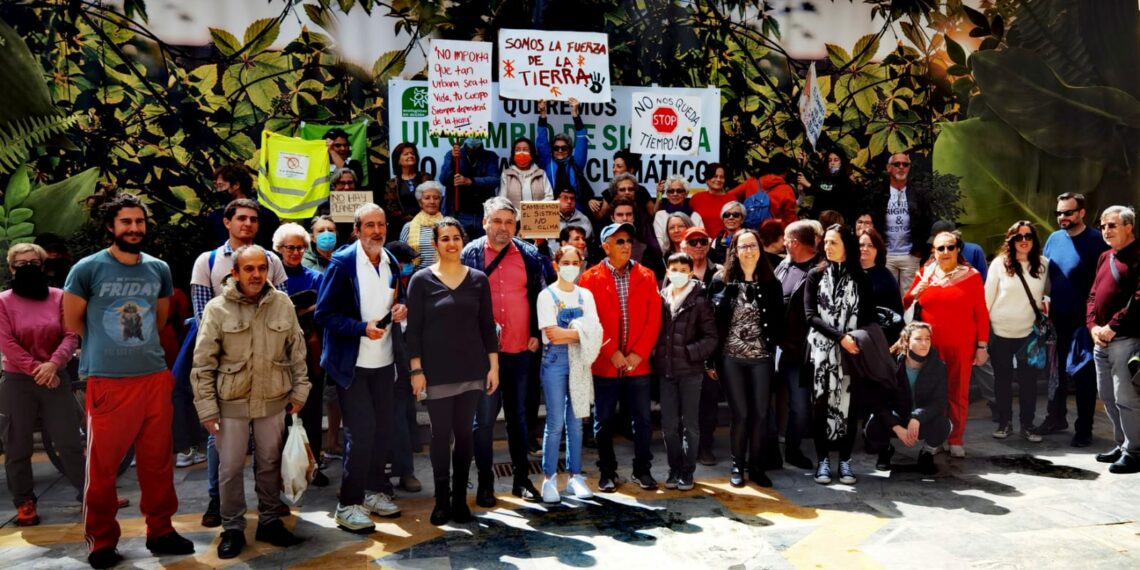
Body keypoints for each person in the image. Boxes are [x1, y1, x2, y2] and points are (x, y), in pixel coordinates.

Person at [62, 194, 194, 569]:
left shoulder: (159, 269)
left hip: (153, 377)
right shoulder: (87, 269)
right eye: (126, 222)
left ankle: (161, 530)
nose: (134, 229)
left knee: (157, 463)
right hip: (108, 380)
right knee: (102, 468)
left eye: (139, 222)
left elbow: (160, 318)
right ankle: (101, 540)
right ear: (110, 226)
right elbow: (72, 323)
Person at [192, 245, 309, 558]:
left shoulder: (282, 303)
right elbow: (203, 363)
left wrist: (300, 392)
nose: (256, 274)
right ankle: (232, 527)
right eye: (249, 269)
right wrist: (206, 408)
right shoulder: (218, 309)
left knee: (269, 464)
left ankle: (270, 520)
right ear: (235, 273)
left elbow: (296, 352)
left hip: (273, 400)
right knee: (230, 468)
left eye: (262, 268)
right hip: (231, 404)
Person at [190, 198, 289, 528]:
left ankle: (271, 511)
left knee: (268, 454)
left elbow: (283, 309)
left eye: (253, 219)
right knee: (224, 454)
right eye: (241, 218)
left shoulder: (271, 260)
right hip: (226, 373)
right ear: (227, 222)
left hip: (267, 373)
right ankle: (218, 502)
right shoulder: (207, 261)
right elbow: (203, 316)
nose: (248, 224)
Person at [315, 204, 406, 532]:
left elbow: (398, 297)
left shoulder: (391, 261)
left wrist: (400, 309)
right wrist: (360, 328)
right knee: (361, 432)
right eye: (369, 225)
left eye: (381, 224)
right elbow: (323, 315)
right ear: (356, 230)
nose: (377, 231)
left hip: (384, 362)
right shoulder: (342, 264)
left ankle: (373, 492)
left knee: (383, 430)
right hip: (351, 365)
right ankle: (347, 504)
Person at [406, 218, 500, 524]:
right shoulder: (420, 280)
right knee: (440, 434)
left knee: (464, 434)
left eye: (456, 237)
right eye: (444, 238)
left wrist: (493, 367)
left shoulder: (478, 279)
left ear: (462, 241)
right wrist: (416, 370)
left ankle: (460, 499)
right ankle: (441, 499)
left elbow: (487, 326)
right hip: (436, 371)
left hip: (472, 369)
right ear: (435, 245)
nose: (451, 243)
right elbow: (414, 331)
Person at [461, 197, 550, 504]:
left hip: (519, 351)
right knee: (484, 422)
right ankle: (486, 482)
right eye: (496, 221)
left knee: (520, 420)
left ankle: (522, 480)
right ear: (485, 222)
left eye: (509, 222)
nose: (502, 228)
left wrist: (537, 332)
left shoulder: (529, 254)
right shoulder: (469, 254)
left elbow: (541, 295)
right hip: (483, 356)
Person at [0, 244, 83, 526]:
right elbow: (7, 343)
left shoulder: (60, 297)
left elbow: (71, 334)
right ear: (11, 269)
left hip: (55, 375)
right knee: (17, 445)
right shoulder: (3, 301)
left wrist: (52, 364)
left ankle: (90, 493)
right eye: (21, 264)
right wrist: (38, 369)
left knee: (70, 440)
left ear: (43, 266)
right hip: (18, 381)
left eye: (34, 263)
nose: (27, 268)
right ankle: (24, 502)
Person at [579, 222, 663, 492]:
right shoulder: (589, 278)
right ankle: (607, 471)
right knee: (603, 421)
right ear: (605, 246)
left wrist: (639, 353)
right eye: (619, 241)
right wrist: (611, 351)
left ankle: (643, 470)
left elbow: (654, 319)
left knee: (643, 420)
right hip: (606, 364)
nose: (626, 245)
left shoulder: (647, 275)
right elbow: (589, 321)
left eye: (628, 240)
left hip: (638, 365)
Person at [903, 230, 989, 458]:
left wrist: (982, 346)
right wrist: (915, 293)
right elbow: (905, 303)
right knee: (932, 394)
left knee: (958, 393)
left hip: (962, 345)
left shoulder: (972, 276)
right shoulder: (925, 274)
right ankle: (936, 437)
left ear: (958, 249)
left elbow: (981, 312)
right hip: (930, 347)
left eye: (951, 247)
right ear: (934, 251)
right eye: (940, 248)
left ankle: (956, 438)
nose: (946, 252)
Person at [708, 229, 783, 487]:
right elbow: (711, 323)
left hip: (761, 357)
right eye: (743, 246)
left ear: (760, 249)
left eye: (753, 246)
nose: (748, 251)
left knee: (761, 413)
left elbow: (779, 322)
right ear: (735, 251)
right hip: (731, 358)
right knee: (740, 414)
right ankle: (737, 466)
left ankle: (757, 467)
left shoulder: (772, 283)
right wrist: (709, 359)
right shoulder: (720, 280)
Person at [803, 224, 874, 486]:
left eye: (834, 242)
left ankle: (845, 461)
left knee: (849, 405)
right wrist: (839, 337)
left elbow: (868, 317)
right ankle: (823, 460)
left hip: (851, 351)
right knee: (819, 406)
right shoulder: (815, 275)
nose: (828, 247)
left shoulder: (861, 277)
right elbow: (810, 315)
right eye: (826, 243)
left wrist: (851, 339)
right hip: (821, 354)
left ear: (846, 245)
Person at [1037, 192, 1109, 446]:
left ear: (1081, 213)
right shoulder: (1054, 239)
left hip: (1084, 322)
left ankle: (1084, 429)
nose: (1062, 217)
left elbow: (1104, 283)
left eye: (1068, 212)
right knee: (1055, 373)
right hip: (1057, 319)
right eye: (1059, 213)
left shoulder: (1097, 241)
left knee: (1083, 376)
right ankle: (1056, 418)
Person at [536, 246, 601, 503]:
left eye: (576, 262)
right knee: (555, 423)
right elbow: (551, 334)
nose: (571, 266)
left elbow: (596, 331)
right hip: (554, 362)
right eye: (566, 261)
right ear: (556, 264)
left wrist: (574, 334)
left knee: (576, 419)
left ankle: (575, 475)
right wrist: (582, 334)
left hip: (580, 362)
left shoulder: (586, 295)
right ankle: (549, 478)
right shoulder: (546, 295)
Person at [655, 252, 719, 491]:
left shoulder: (700, 299)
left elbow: (711, 337)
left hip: (691, 372)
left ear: (691, 272)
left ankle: (687, 471)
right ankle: (674, 468)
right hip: (666, 371)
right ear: (667, 272)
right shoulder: (661, 297)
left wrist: (690, 353)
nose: (678, 274)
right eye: (674, 269)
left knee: (690, 423)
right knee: (669, 424)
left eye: (683, 269)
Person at [273, 223, 329, 486]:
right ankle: (282, 469)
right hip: (277, 356)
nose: (295, 252)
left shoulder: (315, 277)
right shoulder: (270, 278)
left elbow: (324, 312)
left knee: (312, 411)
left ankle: (312, 466)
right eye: (289, 247)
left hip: (310, 354)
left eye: (300, 247)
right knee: (280, 416)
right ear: (278, 249)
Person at [985, 221, 1050, 442]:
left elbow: (1046, 298)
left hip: (1028, 336)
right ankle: (1004, 423)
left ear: (1034, 239)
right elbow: (987, 300)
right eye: (1018, 237)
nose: (1024, 241)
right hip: (1000, 333)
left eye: (1028, 236)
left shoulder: (1043, 264)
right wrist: (983, 336)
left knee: (1029, 383)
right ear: (1011, 240)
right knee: (1002, 381)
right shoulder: (998, 264)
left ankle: (1028, 425)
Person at [1087, 205, 1140, 474]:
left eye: (1112, 225)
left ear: (1129, 226)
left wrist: (1112, 326)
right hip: (1101, 339)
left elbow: (1138, 300)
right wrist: (1093, 325)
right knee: (1107, 395)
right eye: (1103, 225)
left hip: (1125, 340)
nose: (1106, 230)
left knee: (1126, 398)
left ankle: (1135, 452)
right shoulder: (1104, 256)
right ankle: (1122, 444)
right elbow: (1094, 294)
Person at [864, 321, 950, 475]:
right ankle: (885, 451)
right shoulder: (889, 366)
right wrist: (895, 427)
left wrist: (917, 417)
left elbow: (939, 401)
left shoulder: (938, 366)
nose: (924, 343)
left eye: (927, 338)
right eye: (918, 339)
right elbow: (878, 403)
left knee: (944, 425)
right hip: (897, 417)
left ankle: (927, 453)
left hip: (920, 419)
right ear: (906, 341)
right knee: (872, 426)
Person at [774, 220, 823, 469]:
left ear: (794, 242)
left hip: (804, 352)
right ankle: (771, 449)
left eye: (785, 238)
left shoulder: (822, 269)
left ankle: (793, 450)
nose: (783, 243)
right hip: (777, 347)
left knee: (801, 406)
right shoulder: (783, 265)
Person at [677, 227, 723, 464]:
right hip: (682, 349)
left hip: (711, 347)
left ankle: (705, 445)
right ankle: (683, 446)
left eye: (703, 241)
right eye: (692, 241)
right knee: (683, 401)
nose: (698, 245)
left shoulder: (720, 273)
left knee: (708, 400)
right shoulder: (676, 271)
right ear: (683, 245)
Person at [873, 153, 932, 293]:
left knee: (910, 299)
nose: (901, 167)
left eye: (905, 164)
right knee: (887, 297)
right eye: (897, 164)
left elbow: (927, 221)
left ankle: (909, 317)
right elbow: (872, 222)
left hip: (910, 255)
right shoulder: (879, 193)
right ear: (888, 167)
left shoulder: (919, 194)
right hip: (886, 255)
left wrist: (918, 251)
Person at [537, 98, 592, 213]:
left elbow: (582, 140)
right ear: (551, 150)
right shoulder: (547, 162)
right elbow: (542, 141)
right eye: (556, 148)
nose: (560, 150)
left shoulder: (576, 163)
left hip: (575, 211)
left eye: (564, 148)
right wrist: (542, 115)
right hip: (551, 212)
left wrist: (575, 115)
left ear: (570, 150)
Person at [207, 163, 280, 249]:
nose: (218, 190)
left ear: (236, 185)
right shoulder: (215, 217)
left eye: (221, 185)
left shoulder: (267, 216)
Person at [440, 137, 500, 239]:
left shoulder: (490, 156)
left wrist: (471, 181)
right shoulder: (452, 154)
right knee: (461, 249)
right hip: (460, 213)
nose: (473, 140)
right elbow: (443, 179)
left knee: (483, 248)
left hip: (484, 213)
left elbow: (494, 180)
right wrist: (453, 160)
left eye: (477, 136)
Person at [858, 227, 905, 344]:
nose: (865, 249)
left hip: (878, 338)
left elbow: (895, 316)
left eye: (870, 245)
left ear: (878, 250)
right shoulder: (849, 272)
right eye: (861, 245)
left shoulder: (886, 279)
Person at [728, 153, 798, 228]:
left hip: (750, 231)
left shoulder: (752, 182)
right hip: (772, 234)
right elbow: (791, 220)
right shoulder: (787, 190)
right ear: (787, 171)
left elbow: (728, 196)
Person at [383, 142, 430, 240]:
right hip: (401, 227)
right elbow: (391, 209)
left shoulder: (425, 178)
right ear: (398, 160)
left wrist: (420, 220)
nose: (410, 156)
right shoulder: (392, 184)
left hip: (426, 224)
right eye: (406, 154)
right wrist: (412, 221)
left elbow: (433, 200)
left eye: (412, 153)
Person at [611, 196, 666, 279]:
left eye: (629, 214)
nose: (625, 218)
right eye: (620, 215)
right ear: (612, 218)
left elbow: (657, 282)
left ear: (633, 218)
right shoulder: (601, 247)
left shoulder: (647, 248)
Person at [399, 180, 447, 269]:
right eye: (427, 198)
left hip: (444, 276)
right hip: (417, 278)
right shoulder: (408, 227)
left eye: (436, 198)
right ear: (420, 202)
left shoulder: (448, 225)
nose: (432, 201)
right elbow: (401, 257)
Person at [799, 150, 855, 221]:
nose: (832, 163)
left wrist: (809, 185)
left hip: (833, 222)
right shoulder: (823, 178)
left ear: (842, 162)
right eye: (829, 160)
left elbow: (833, 195)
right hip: (817, 220)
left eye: (836, 160)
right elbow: (806, 188)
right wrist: (803, 165)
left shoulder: (845, 181)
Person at [653, 176, 705, 250]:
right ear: (667, 195)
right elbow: (660, 242)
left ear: (686, 194)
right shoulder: (660, 215)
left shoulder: (695, 216)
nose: (675, 194)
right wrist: (660, 194)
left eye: (679, 191)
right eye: (671, 191)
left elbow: (701, 240)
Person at [500, 136, 553, 207]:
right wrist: (517, 214)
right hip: (515, 217)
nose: (521, 153)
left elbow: (550, 197)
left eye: (525, 150)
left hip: (538, 216)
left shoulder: (541, 173)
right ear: (513, 154)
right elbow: (502, 200)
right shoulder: (506, 174)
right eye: (518, 150)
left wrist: (531, 211)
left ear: (531, 153)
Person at [689, 163, 734, 237]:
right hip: (700, 244)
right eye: (715, 176)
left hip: (724, 244)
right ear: (707, 179)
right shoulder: (696, 198)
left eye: (722, 177)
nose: (718, 179)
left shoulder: (731, 199)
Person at [710, 201, 745, 265]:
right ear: (723, 219)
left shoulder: (749, 238)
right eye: (726, 215)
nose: (731, 217)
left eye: (736, 215)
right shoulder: (717, 239)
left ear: (742, 219)